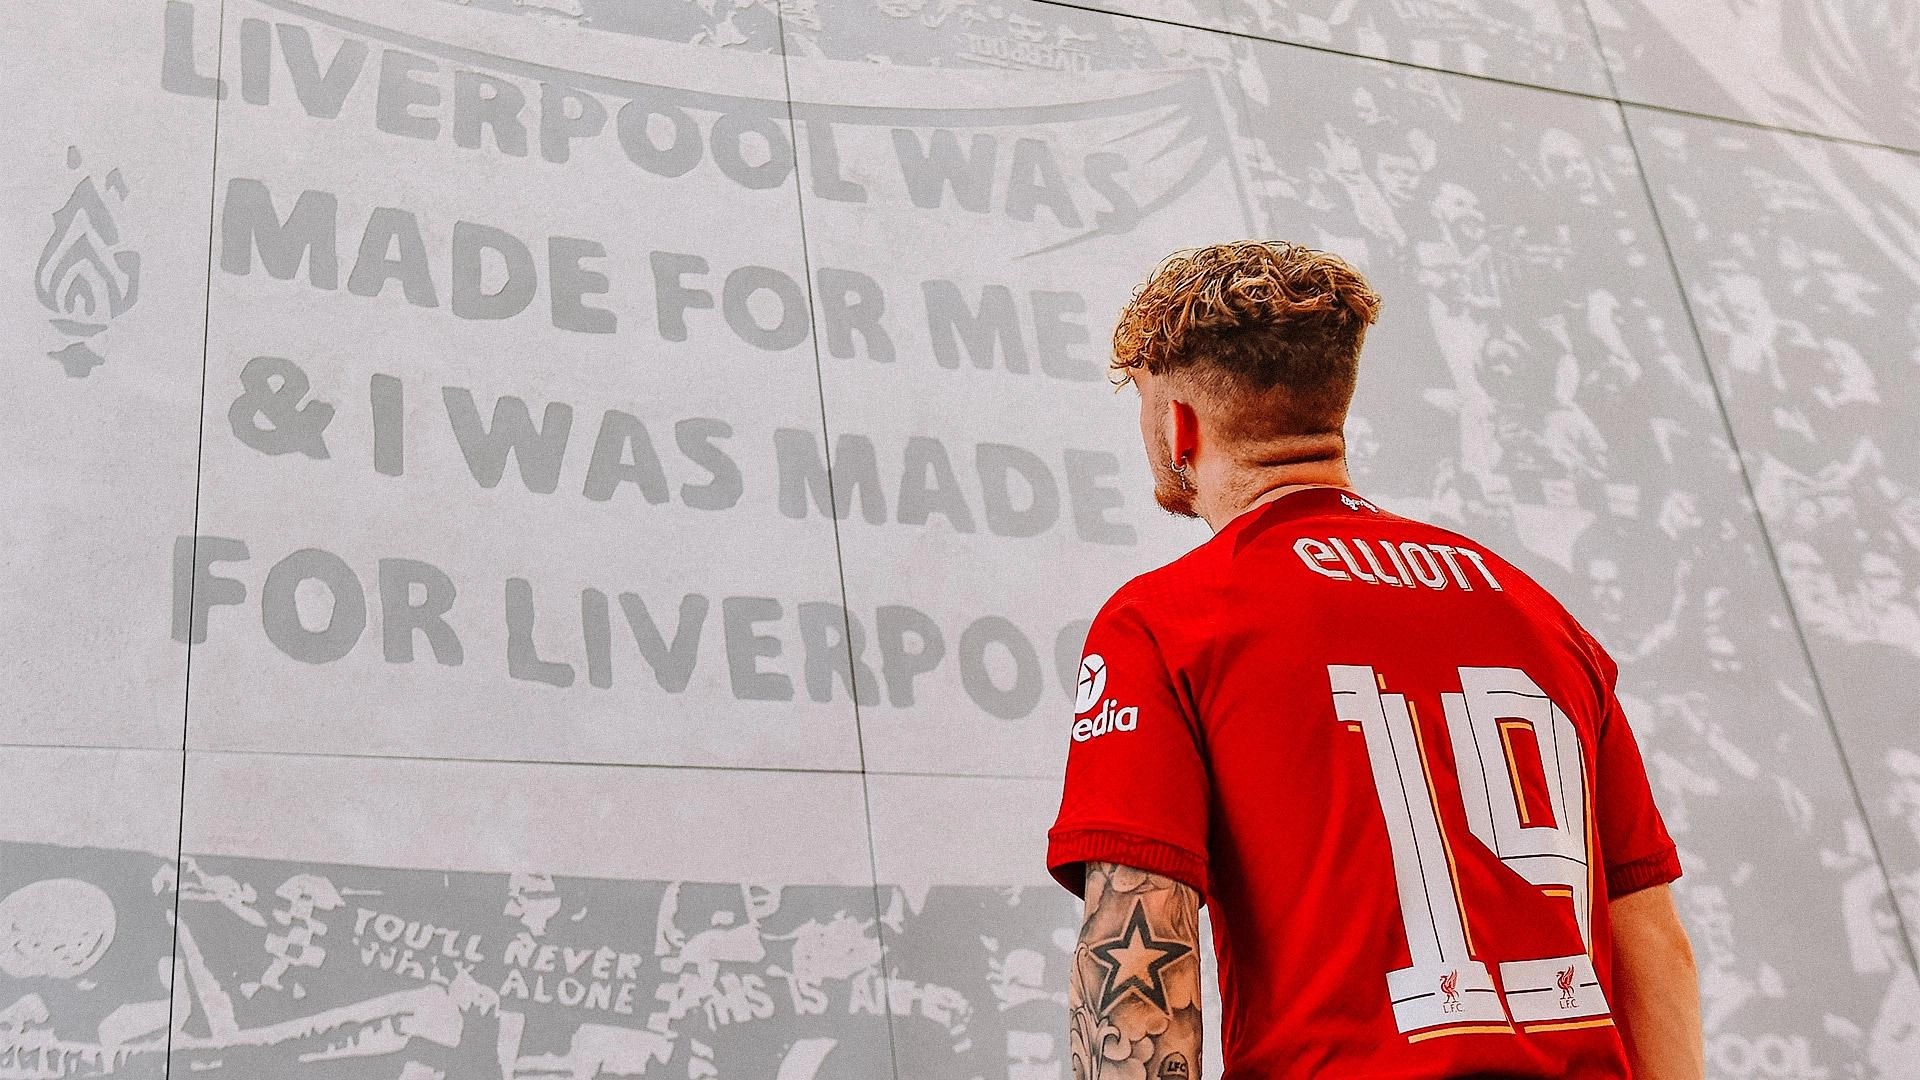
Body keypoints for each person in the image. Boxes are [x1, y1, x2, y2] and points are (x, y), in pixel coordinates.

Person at [1046, 241, 1703, 1079]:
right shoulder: (1538, 615)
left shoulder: (1167, 621)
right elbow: (1654, 944)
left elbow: (1137, 964)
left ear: (1179, 425)